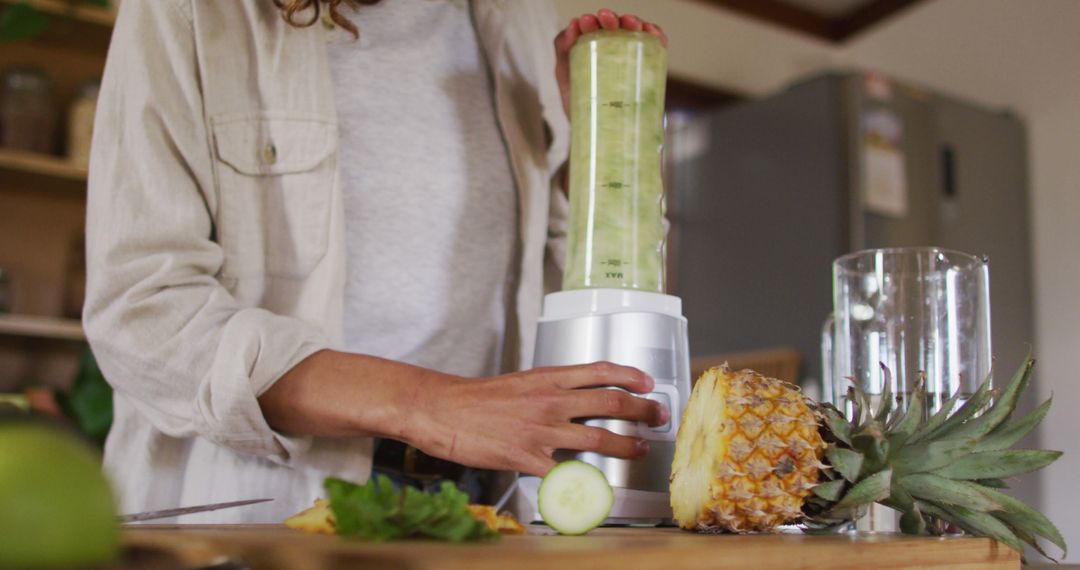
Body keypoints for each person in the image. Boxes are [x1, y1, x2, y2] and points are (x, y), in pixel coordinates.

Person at [84, 0, 668, 522]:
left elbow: (563, 272)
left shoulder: (517, 19)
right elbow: (142, 309)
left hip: (487, 502)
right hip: (265, 503)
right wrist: (426, 404)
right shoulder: (193, 10)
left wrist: (603, 140)